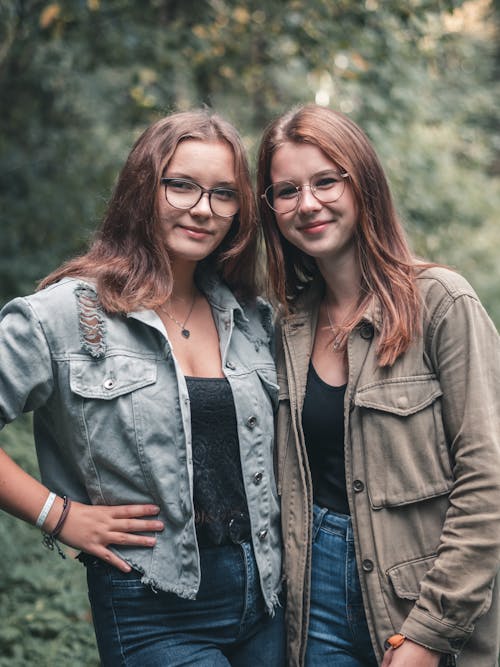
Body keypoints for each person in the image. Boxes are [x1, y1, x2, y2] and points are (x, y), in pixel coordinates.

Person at [0, 109, 284, 666]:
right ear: (142, 188)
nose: (203, 209)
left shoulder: (253, 319)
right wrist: (58, 515)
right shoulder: (63, 316)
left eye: (224, 194)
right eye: (181, 185)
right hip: (153, 602)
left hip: (268, 597)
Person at [256, 103, 500, 667]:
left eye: (325, 181)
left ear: (362, 182)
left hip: (419, 596)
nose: (308, 204)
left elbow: (487, 483)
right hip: (312, 598)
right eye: (286, 191)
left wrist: (429, 632)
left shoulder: (441, 302)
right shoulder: (285, 326)